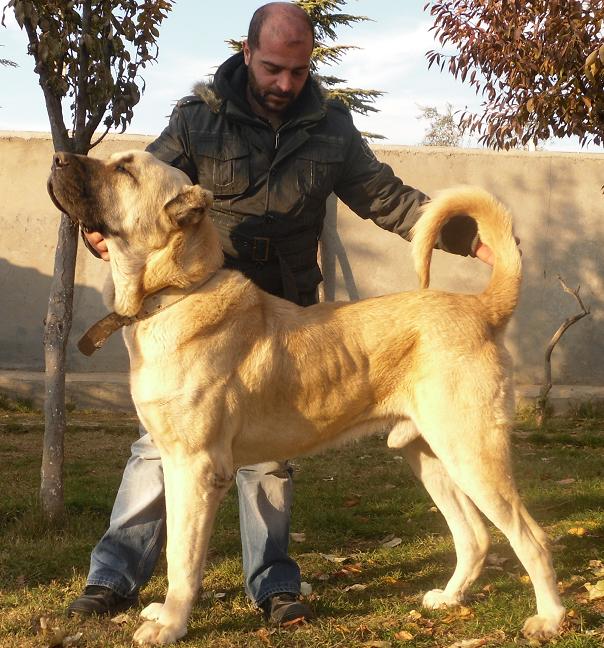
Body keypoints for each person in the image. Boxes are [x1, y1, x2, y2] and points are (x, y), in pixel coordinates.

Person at [68, 1, 494, 626]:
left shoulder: (330, 126)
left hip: (284, 307)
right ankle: (115, 577)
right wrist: (96, 232)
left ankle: (271, 581)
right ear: (247, 54)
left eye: (298, 71)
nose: (285, 84)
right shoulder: (198, 119)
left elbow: (387, 198)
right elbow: (137, 192)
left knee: (269, 455)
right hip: (206, 306)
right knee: (161, 447)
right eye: (273, 68)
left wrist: (471, 239)